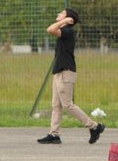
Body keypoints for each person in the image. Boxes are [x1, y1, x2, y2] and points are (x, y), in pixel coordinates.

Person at [36, 8, 105, 145]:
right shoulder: (64, 31)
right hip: (59, 72)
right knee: (56, 105)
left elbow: (50, 30)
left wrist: (66, 22)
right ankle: (54, 134)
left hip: (66, 72)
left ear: (69, 18)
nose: (58, 14)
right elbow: (52, 30)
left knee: (67, 105)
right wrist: (63, 20)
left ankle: (94, 126)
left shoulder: (68, 30)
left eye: (61, 13)